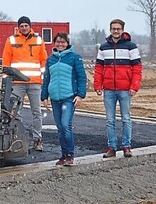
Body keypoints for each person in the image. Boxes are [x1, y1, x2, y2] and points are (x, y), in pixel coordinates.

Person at [94, 18, 142, 158]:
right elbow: (99, 68)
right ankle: (112, 147)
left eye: (118, 29)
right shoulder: (103, 47)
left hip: (125, 89)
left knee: (126, 118)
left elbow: (137, 68)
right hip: (109, 89)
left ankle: (127, 146)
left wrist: (134, 86)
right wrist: (98, 85)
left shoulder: (131, 46)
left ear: (122, 30)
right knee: (110, 120)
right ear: (110, 30)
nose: (116, 31)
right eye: (113, 29)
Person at [2, 16, 48, 151]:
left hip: (34, 83)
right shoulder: (11, 40)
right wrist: (7, 79)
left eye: (26, 25)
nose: (24, 28)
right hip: (17, 82)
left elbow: (43, 61)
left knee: (37, 112)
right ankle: (18, 139)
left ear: (30, 26)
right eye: (21, 26)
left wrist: (43, 79)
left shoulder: (38, 40)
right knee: (16, 112)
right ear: (18, 27)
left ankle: (37, 139)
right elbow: (6, 61)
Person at [40, 32, 86, 166]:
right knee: (60, 128)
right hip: (55, 98)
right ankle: (64, 154)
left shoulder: (75, 58)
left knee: (66, 125)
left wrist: (80, 95)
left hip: (69, 98)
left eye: (63, 42)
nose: (60, 44)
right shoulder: (51, 60)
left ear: (67, 43)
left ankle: (70, 154)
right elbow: (47, 78)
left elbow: (81, 78)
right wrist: (44, 96)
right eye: (58, 42)